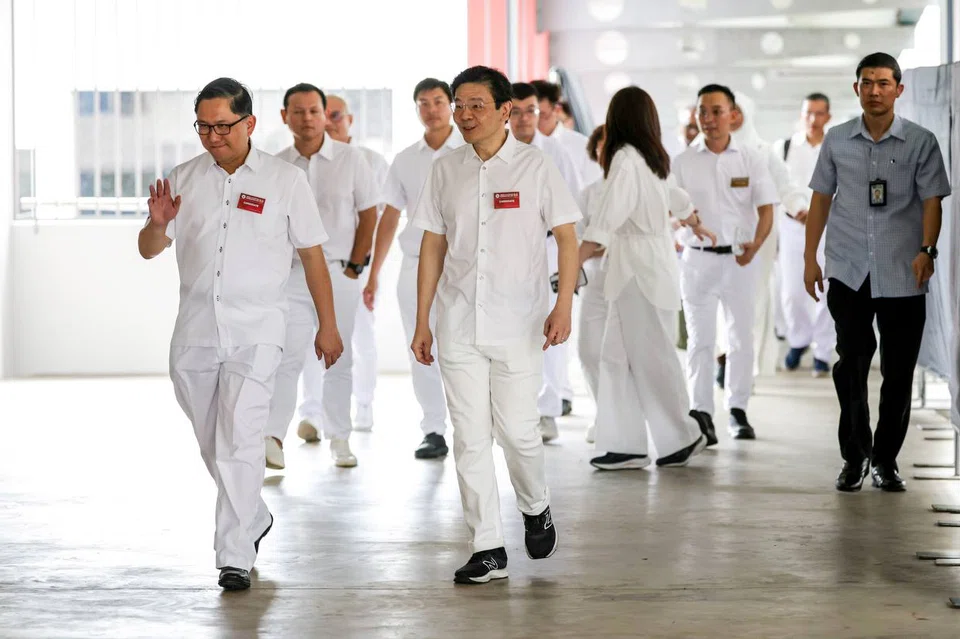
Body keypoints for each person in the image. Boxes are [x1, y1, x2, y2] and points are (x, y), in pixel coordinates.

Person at [137, 78, 343, 590]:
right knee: (214, 442)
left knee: (241, 439)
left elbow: (313, 255)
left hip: (259, 331)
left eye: (223, 126)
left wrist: (328, 325)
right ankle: (254, 515)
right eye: (203, 127)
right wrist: (157, 225)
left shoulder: (285, 180)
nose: (213, 136)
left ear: (249, 123)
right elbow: (148, 249)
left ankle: (234, 555)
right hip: (195, 333)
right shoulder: (183, 178)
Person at [411, 66, 581, 584]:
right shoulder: (445, 169)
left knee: (519, 434)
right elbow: (433, 244)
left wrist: (563, 305)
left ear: (505, 110)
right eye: (459, 105)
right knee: (469, 438)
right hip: (459, 320)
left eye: (476, 105)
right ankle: (487, 547)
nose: (464, 115)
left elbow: (567, 238)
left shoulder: (535, 166)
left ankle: (536, 504)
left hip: (519, 322)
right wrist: (422, 320)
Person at [805, 52, 950, 493]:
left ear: (898, 90)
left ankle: (885, 460)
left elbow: (932, 200)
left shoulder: (921, 141)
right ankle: (854, 457)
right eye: (867, 83)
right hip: (849, 269)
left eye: (884, 83)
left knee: (898, 371)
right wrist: (810, 258)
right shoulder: (837, 140)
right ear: (856, 89)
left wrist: (927, 250)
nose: (874, 91)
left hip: (904, 270)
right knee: (851, 365)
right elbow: (820, 199)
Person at [580, 86, 713, 471]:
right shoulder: (650, 157)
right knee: (614, 358)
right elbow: (676, 198)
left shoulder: (626, 159)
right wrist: (693, 220)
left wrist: (570, 263)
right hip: (638, 267)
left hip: (639, 269)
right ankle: (625, 445)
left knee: (653, 355)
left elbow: (605, 221)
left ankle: (682, 436)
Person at [264, 83, 380, 469]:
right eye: (298, 112)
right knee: (287, 355)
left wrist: (355, 267)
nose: (307, 119)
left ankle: (339, 438)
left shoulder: (351, 158)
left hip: (338, 272)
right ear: (285, 117)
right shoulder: (276, 165)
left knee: (337, 357)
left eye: (314, 111)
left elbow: (369, 213)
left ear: (324, 114)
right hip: (293, 276)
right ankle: (273, 438)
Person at [364, 77, 463, 459]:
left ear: (450, 104)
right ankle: (434, 428)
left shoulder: (470, 151)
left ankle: (471, 426)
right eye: (423, 103)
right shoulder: (405, 159)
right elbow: (389, 217)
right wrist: (373, 274)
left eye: (437, 101)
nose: (431, 109)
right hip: (416, 265)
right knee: (422, 347)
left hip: (462, 265)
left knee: (464, 345)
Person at [673, 84, 778, 444]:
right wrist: (680, 222)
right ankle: (701, 412)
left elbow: (766, 209)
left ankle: (737, 409)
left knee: (740, 338)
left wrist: (756, 246)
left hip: (739, 261)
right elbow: (671, 210)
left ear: (733, 115)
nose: (708, 118)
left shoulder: (750, 158)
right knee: (700, 340)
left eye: (716, 111)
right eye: (702, 111)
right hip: (697, 261)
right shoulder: (683, 161)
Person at [713, 92, 809, 388]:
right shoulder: (709, 148)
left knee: (753, 300)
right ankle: (725, 356)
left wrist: (798, 207)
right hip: (719, 237)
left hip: (759, 237)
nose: (733, 117)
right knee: (722, 299)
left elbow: (786, 185)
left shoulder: (763, 152)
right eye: (728, 111)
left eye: (738, 112)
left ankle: (747, 363)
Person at [509, 81, 583, 441]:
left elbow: (573, 209)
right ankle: (514, 410)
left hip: (550, 251)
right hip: (509, 253)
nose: (524, 118)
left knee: (550, 330)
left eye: (531, 111)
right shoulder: (495, 152)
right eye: (517, 111)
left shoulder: (555, 152)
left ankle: (547, 410)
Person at [324, 93, 390, 432]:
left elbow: (380, 220)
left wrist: (370, 273)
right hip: (320, 267)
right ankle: (313, 412)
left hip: (360, 267)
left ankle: (364, 404)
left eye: (336, 115)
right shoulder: (310, 161)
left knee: (362, 337)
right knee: (315, 341)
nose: (328, 122)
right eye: (323, 115)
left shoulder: (372, 162)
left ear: (350, 120)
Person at [772, 93, 835, 377]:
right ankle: (799, 341)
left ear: (828, 117)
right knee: (792, 291)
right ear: (801, 115)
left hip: (828, 227)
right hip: (792, 227)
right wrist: (796, 210)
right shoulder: (783, 147)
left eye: (819, 113)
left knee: (827, 289)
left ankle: (823, 351)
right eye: (808, 113)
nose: (813, 119)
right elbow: (775, 186)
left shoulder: (835, 147)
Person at [576, 125, 606, 445]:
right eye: (601, 145)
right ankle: (603, 413)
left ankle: (624, 418)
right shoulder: (588, 193)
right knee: (588, 350)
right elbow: (579, 239)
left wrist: (596, 245)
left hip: (630, 279)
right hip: (594, 278)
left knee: (623, 356)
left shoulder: (637, 187)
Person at [532, 79, 603, 186]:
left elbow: (595, 187)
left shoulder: (581, 145)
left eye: (542, 115)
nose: (534, 120)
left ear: (557, 110)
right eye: (531, 113)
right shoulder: (521, 145)